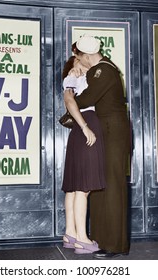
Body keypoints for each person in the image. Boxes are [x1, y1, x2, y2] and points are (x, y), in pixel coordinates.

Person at [64, 34, 131, 259]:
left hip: (113, 133)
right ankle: (101, 240)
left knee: (111, 186)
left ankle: (114, 245)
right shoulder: (98, 71)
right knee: (100, 186)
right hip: (105, 132)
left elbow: (84, 100)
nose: (77, 61)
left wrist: (69, 89)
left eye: (78, 57)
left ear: (88, 55)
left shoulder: (103, 70)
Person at [61, 54, 107, 254]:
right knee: (83, 187)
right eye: (77, 60)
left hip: (78, 131)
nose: (81, 61)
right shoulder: (73, 78)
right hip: (85, 124)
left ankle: (70, 234)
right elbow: (69, 103)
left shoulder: (81, 78)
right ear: (73, 65)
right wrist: (86, 127)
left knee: (74, 186)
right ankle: (82, 238)